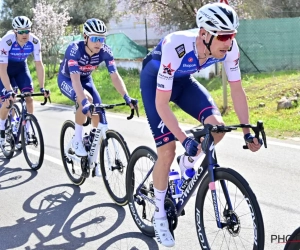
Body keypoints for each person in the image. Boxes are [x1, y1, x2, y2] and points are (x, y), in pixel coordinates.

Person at [140, 2, 262, 247]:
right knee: (167, 150)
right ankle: (160, 214)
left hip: (183, 82)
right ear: (204, 34)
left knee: (217, 127)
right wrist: (184, 139)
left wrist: (248, 131)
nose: (229, 42)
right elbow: (162, 104)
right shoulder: (177, 46)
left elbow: (237, 90)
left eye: (233, 35)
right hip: (156, 84)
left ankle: (187, 163)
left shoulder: (230, 49)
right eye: (224, 36)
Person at [57, 18, 137, 173]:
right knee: (86, 100)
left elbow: (115, 76)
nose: (98, 43)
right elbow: (75, 80)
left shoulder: (105, 52)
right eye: (94, 38)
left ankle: (92, 148)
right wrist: (84, 102)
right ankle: (78, 140)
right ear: (85, 37)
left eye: (101, 39)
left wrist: (127, 97)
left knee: (99, 113)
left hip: (86, 79)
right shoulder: (74, 49)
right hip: (68, 79)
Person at [0, 16, 48, 147]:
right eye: (20, 32)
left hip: (21, 68)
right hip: (6, 69)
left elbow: (39, 64)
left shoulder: (35, 41)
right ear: (15, 31)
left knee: (29, 98)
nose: (24, 34)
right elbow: (2, 69)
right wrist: (9, 90)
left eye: (27, 31)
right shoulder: (6, 41)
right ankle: (2, 129)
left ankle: (28, 130)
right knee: (8, 100)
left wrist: (42, 87)